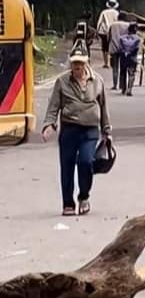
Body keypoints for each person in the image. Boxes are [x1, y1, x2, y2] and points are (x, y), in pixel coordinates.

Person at [42, 40, 111, 217]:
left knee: (86, 162)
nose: (77, 66)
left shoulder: (97, 81)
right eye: (74, 63)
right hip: (69, 130)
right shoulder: (62, 81)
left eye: (80, 63)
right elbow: (53, 106)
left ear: (86, 62)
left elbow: (103, 107)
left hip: (90, 131)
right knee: (67, 166)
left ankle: (84, 196)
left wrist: (107, 131)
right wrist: (49, 125)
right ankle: (68, 203)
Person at [106, 9, 130, 90]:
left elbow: (108, 36)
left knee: (115, 67)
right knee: (123, 67)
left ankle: (115, 85)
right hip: (124, 48)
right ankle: (122, 85)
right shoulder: (128, 25)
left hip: (114, 47)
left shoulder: (112, 25)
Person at [118, 22, 141, 96]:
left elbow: (120, 48)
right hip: (132, 57)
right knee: (131, 74)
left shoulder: (122, 37)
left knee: (123, 73)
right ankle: (129, 89)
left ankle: (123, 88)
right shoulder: (137, 38)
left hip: (123, 57)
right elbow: (137, 48)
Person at [95, 0, 120, 67]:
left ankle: (106, 63)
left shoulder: (104, 12)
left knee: (104, 47)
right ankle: (113, 62)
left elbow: (99, 22)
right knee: (112, 47)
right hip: (113, 31)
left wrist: (97, 31)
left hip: (104, 32)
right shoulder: (116, 13)